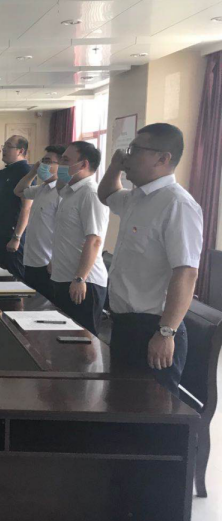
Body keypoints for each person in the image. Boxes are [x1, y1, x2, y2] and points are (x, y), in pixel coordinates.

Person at [98, 123, 202, 394]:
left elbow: (186, 273)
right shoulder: (137, 197)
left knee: (151, 408)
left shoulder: (177, 204)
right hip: (124, 324)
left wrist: (166, 332)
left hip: (154, 328)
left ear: (163, 158)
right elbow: (106, 195)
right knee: (120, 401)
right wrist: (115, 166)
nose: (127, 156)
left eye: (134, 150)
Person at [50, 141, 109, 335]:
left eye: (66, 160)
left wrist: (80, 277)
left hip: (84, 282)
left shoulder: (91, 194)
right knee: (63, 339)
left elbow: (94, 240)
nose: (61, 165)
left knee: (83, 342)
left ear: (83, 164)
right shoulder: (70, 192)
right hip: (64, 277)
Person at [13, 145, 65, 301]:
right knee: (31, 306)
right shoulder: (42, 188)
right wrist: (33, 171)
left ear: (61, 165)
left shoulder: (62, 192)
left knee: (46, 306)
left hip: (48, 263)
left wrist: (54, 260)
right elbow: (18, 191)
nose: (43, 165)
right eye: (43, 161)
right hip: (31, 260)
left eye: (48, 161)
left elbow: (62, 231)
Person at [0, 136, 32, 280]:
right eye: (4, 146)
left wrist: (17, 237)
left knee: (12, 282)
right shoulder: (10, 169)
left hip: (12, 236)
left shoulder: (25, 171)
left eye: (9, 146)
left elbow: (26, 208)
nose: (4, 149)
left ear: (20, 151)